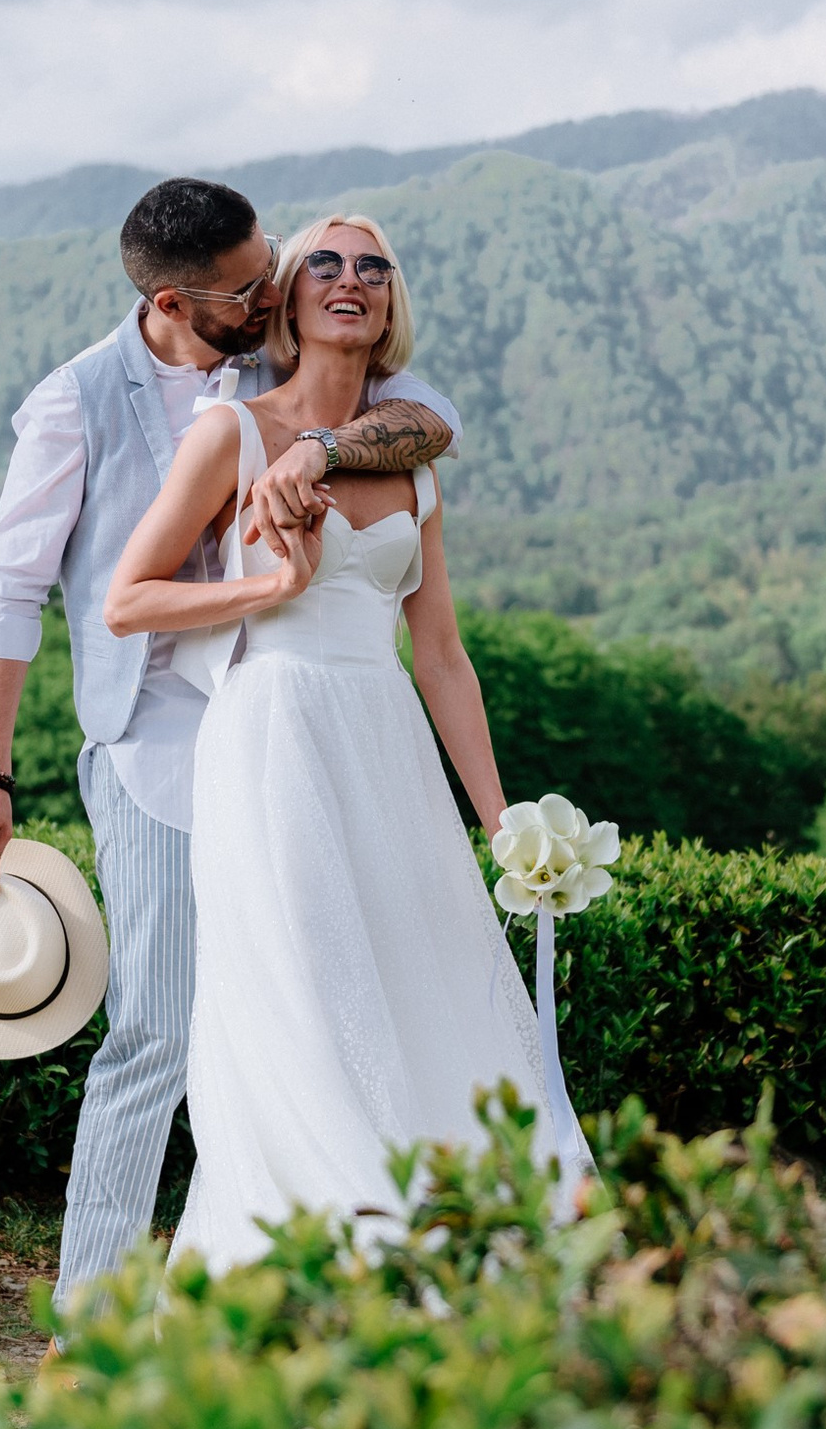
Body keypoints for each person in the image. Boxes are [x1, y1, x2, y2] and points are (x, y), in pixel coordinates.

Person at [0, 178, 463, 1307]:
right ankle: (93, 1314)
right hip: (160, 749)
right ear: (178, 302)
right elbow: (9, 591)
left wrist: (315, 447)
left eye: (282, 261)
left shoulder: (282, 366)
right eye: (253, 282)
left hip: (295, 743)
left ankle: (312, 1279)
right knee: (161, 1030)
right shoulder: (75, 402)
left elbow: (430, 422)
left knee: (319, 1013)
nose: (282, 287)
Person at [103, 213, 556, 1268]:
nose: (351, 278)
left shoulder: (415, 460)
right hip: (271, 737)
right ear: (288, 302)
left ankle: (440, 1244)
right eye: (323, 263)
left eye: (374, 267)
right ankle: (328, 1257)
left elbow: (440, 655)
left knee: (416, 977)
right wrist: (270, 585)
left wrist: (503, 823)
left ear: (390, 302)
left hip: (383, 738)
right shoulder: (230, 435)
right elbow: (127, 599)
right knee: (303, 989)